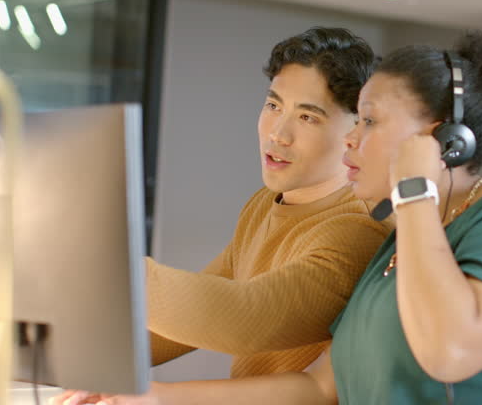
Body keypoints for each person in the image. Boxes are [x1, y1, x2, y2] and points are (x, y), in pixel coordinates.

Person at [53, 30, 482, 404]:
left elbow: (451, 350)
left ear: (444, 139)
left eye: (368, 122)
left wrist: (414, 192)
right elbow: (319, 387)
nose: (353, 142)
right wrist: (146, 396)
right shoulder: (398, 248)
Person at [54, 27, 392, 405]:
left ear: (355, 133)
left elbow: (245, 317)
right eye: (273, 105)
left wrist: (104, 267)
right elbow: (188, 321)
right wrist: (58, 358)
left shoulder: (359, 229)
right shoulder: (265, 203)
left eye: (308, 117)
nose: (278, 134)